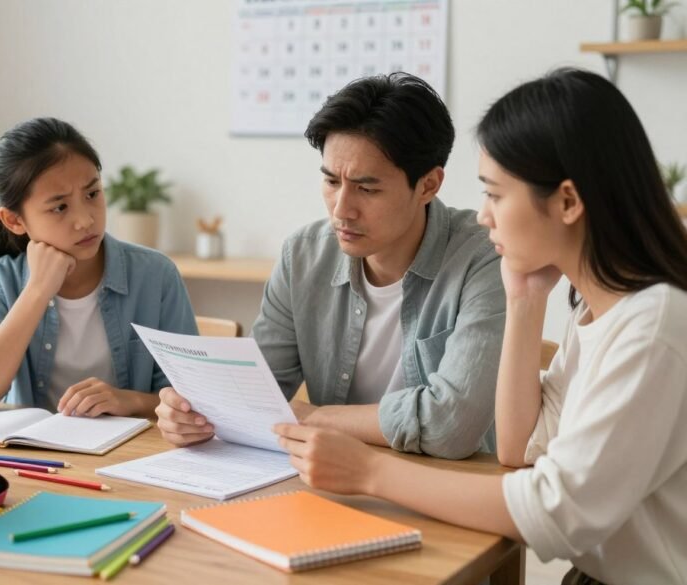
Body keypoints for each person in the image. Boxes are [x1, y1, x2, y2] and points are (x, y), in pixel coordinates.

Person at [273, 69, 687, 584]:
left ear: (567, 202)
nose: (484, 216)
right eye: (331, 180)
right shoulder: (596, 312)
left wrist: (369, 470)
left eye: (495, 194)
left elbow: (557, 515)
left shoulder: (654, 325)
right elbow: (519, 448)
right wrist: (526, 298)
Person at [157, 73, 505, 459]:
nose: (341, 209)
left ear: (428, 185)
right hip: (329, 480)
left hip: (448, 490)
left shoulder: (485, 255)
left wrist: (312, 417)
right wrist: (193, 415)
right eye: (330, 181)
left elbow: (451, 426)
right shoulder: (303, 256)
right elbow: (254, 396)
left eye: (367, 188)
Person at [0, 117, 197, 416]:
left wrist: (125, 401)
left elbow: (189, 399)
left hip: (127, 456)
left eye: (92, 194)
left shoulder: (155, 274)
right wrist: (38, 290)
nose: (86, 220)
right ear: (14, 221)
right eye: (60, 207)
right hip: (38, 459)